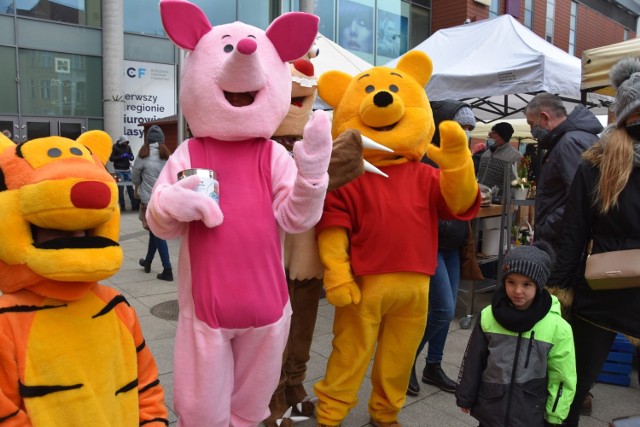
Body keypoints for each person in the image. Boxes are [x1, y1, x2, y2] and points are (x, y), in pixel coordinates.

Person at [547, 57, 640, 427]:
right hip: (603, 290)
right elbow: (573, 231)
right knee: (574, 381)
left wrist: (560, 288)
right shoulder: (597, 164)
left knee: (575, 380)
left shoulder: (597, 164)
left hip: (604, 282)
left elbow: (573, 232)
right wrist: (559, 287)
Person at [456, 243, 576, 427]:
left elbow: (562, 376)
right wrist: (466, 395)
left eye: (527, 284)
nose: (517, 291)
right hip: (490, 410)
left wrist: (555, 415)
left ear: (539, 285)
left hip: (529, 414)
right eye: (511, 282)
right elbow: (474, 360)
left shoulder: (558, 328)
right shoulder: (489, 316)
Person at [407, 100, 476, 396]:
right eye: (461, 127)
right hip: (430, 242)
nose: (466, 133)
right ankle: (406, 360)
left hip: (453, 243)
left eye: (469, 128)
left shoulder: (461, 157)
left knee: (443, 312)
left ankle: (433, 366)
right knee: (444, 308)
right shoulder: (424, 157)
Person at [524, 92, 603, 253]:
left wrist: (548, 226)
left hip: (560, 241)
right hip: (564, 236)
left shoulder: (569, 143)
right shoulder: (573, 139)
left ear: (545, 118)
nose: (532, 130)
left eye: (531, 123)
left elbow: (580, 197)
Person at [131, 125, 173, 281]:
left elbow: (134, 178)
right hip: (164, 199)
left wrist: (141, 183)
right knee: (153, 232)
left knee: (157, 233)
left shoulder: (143, 155)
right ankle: (147, 262)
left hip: (149, 201)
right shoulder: (168, 156)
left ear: (147, 140)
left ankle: (167, 269)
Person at [476, 122, 521, 200]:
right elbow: (479, 176)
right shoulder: (486, 154)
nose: (489, 135)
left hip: (500, 203)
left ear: (502, 136)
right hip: (481, 199)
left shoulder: (515, 156)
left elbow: (516, 185)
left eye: (493, 133)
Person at [109, 135, 140, 212]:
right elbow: (111, 158)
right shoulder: (115, 147)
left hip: (127, 170)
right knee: (121, 188)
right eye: (124, 142)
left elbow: (131, 155)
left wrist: (131, 157)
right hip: (118, 170)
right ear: (121, 141)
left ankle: (134, 205)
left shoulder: (128, 147)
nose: (126, 143)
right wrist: (121, 157)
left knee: (130, 188)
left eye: (126, 142)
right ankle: (122, 206)